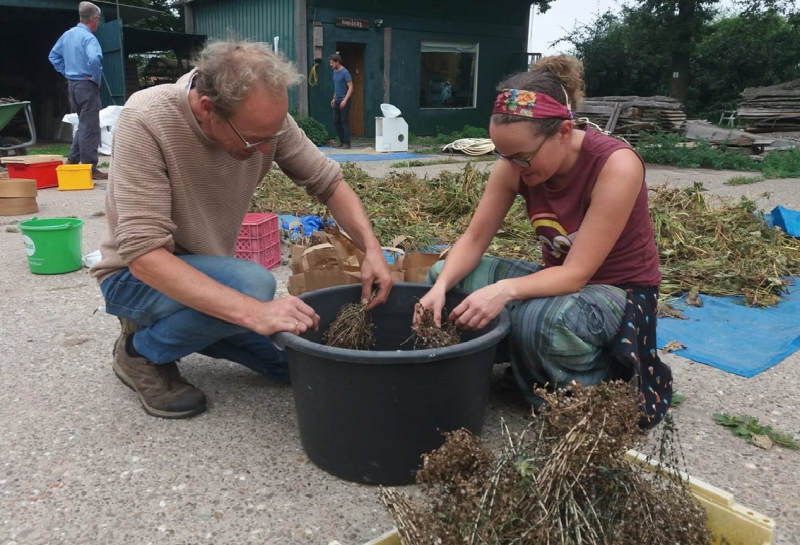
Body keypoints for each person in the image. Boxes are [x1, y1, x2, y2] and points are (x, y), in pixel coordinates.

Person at [90, 41, 393, 419]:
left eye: (273, 137)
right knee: (254, 285)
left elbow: (328, 182)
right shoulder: (147, 119)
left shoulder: (266, 122)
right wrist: (253, 313)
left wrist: (372, 249)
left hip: (211, 272)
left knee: (293, 364)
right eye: (255, 140)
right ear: (207, 109)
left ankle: (193, 324)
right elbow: (144, 256)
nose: (268, 151)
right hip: (134, 279)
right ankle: (140, 351)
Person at [417, 56, 672, 429]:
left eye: (523, 158)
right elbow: (473, 239)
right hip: (562, 282)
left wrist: (504, 291)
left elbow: (576, 275)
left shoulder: (616, 165)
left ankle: (594, 390)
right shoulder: (514, 165)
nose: (514, 167)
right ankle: (516, 361)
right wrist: (439, 287)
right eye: (505, 156)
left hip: (620, 293)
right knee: (446, 274)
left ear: (564, 133)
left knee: (542, 321)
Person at [48, 1, 108, 181]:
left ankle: (73, 160)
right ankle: (90, 167)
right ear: (94, 19)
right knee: (90, 127)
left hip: (72, 85)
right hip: (86, 85)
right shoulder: (89, 38)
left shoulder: (67, 35)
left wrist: (66, 72)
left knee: (83, 123)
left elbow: (53, 56)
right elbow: (95, 59)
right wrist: (95, 78)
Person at [329, 53, 353, 149]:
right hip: (337, 99)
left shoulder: (345, 72)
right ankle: (341, 141)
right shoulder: (335, 72)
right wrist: (334, 98)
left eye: (332, 62)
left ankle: (347, 142)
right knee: (336, 121)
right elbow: (337, 87)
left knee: (344, 121)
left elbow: (351, 87)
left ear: (337, 62)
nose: (330, 64)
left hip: (344, 100)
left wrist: (345, 100)